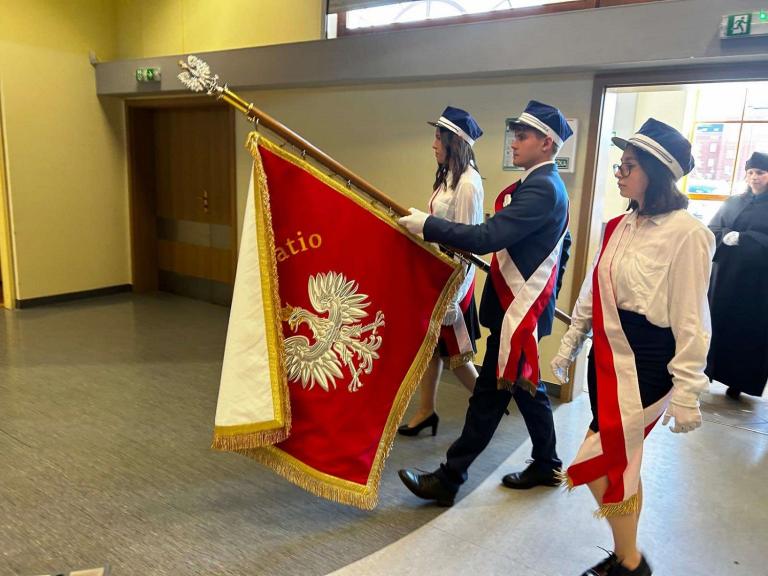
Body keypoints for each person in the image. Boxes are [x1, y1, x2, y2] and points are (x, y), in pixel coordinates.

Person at [550, 119, 715, 576]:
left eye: (629, 165)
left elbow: (691, 318)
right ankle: (628, 559)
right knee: (619, 459)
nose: (619, 173)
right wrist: (570, 344)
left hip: (648, 360)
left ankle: (632, 559)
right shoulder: (619, 225)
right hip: (607, 348)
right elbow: (591, 289)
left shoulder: (689, 234)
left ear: (657, 173)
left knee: (594, 459)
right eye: (620, 165)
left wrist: (686, 391)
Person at [397, 100, 572, 506]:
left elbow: (487, 236)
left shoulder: (544, 188)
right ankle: (546, 462)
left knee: (488, 399)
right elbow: (562, 250)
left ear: (546, 144)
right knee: (526, 390)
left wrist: (427, 226)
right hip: (521, 312)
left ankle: (449, 477)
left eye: (523, 135)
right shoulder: (540, 184)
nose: (514, 142)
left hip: (519, 315)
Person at [397, 106, 484, 437]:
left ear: (453, 141)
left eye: (438, 137)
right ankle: (426, 410)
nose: (433, 143)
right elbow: (442, 224)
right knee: (431, 347)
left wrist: (454, 297)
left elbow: (468, 244)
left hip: (455, 281)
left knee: (457, 356)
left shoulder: (469, 185)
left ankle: (487, 406)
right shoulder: (448, 176)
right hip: (439, 275)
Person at [706, 151, 768, 400]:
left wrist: (747, 239)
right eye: (751, 172)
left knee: (747, 329)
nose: (754, 177)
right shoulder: (733, 201)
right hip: (725, 276)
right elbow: (712, 229)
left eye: (760, 173)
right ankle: (707, 371)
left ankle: (739, 381)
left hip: (757, 282)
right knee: (716, 322)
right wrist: (726, 236)